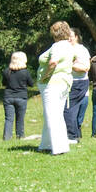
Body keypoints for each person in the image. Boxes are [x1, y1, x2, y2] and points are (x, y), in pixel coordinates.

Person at [36, 21, 75, 155]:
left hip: (52, 83)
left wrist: (44, 76)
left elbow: (53, 62)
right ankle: (46, 144)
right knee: (52, 114)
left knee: (52, 115)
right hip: (64, 82)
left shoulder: (58, 46)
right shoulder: (69, 46)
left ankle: (59, 147)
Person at [64, 29, 92, 143]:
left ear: (76, 37)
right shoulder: (65, 49)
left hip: (78, 82)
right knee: (70, 109)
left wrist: (69, 65)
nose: (69, 39)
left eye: (71, 36)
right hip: (67, 82)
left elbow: (85, 68)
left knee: (68, 109)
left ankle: (72, 136)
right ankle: (73, 135)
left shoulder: (81, 50)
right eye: (67, 37)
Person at [0, 52, 35, 141]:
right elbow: (31, 84)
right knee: (20, 118)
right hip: (21, 97)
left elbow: (4, 83)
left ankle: (7, 137)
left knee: (9, 119)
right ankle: (20, 136)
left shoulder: (6, 71)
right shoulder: (25, 72)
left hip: (8, 97)